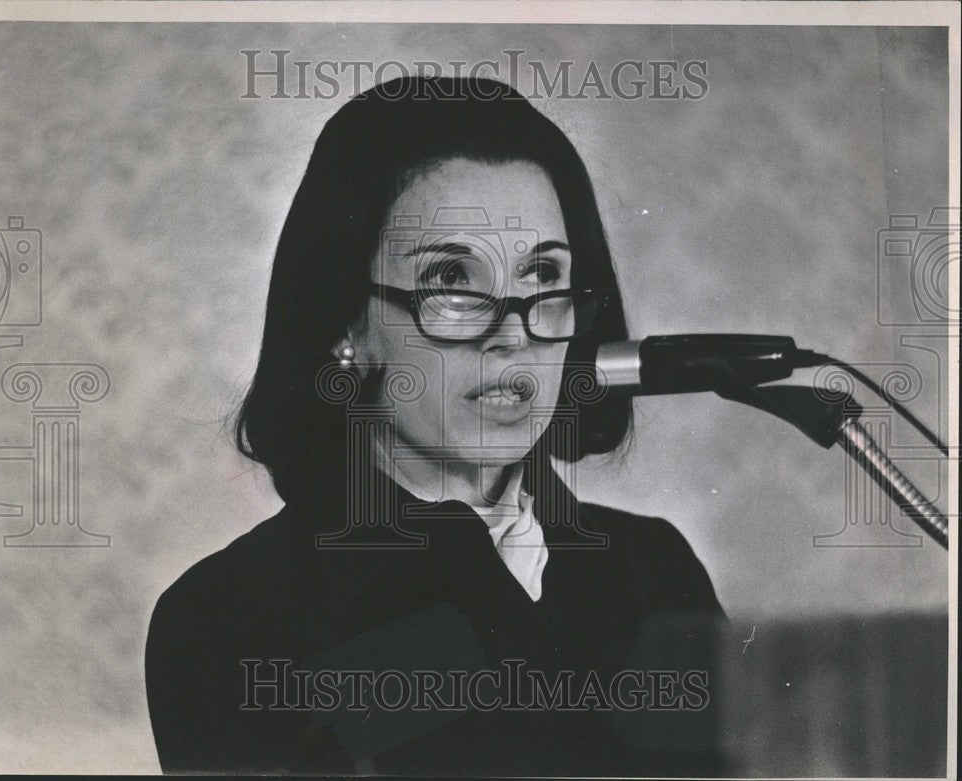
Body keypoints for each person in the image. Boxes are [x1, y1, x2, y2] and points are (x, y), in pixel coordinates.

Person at [145, 76, 724, 776]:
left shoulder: (656, 570)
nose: (512, 337)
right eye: (452, 279)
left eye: (544, 276)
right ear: (348, 325)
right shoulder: (224, 616)